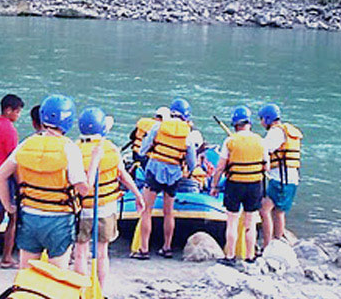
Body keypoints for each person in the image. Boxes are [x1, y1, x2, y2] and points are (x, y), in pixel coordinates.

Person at [0, 95, 95, 270]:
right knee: (56, 276)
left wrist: (9, 207)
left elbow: (0, 176)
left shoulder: (26, 144)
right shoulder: (69, 148)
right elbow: (84, 190)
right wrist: (94, 163)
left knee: (27, 275)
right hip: (59, 221)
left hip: (30, 218)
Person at [71, 107, 145, 288]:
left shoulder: (74, 149)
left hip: (82, 209)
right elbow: (123, 175)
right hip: (106, 208)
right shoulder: (110, 148)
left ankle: (80, 292)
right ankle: (101, 291)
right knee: (102, 252)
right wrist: (138, 194)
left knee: (80, 252)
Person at [133, 98, 195, 259]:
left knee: (147, 210)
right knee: (169, 212)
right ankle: (167, 247)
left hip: (154, 170)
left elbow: (143, 149)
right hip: (174, 175)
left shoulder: (158, 127)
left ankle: (144, 249)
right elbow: (192, 161)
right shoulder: (188, 133)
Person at [210, 106, 268, 264]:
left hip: (235, 184)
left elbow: (220, 167)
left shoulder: (230, 141)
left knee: (232, 221)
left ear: (235, 124)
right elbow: (266, 167)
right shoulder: (260, 141)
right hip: (255, 185)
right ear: (249, 123)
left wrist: (214, 186)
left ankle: (230, 256)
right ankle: (249, 256)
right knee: (250, 222)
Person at [0, 94, 24, 269]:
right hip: (5, 176)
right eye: (17, 112)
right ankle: (7, 256)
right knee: (12, 217)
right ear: (9, 110)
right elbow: (12, 159)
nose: (18, 115)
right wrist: (20, 183)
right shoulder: (9, 129)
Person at [258, 103, 303, 248]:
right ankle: (277, 241)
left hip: (280, 179)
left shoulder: (275, 132)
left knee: (264, 209)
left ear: (267, 118)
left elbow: (264, 149)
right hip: (291, 179)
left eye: (262, 119)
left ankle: (267, 245)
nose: (261, 123)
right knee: (278, 212)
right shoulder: (287, 131)